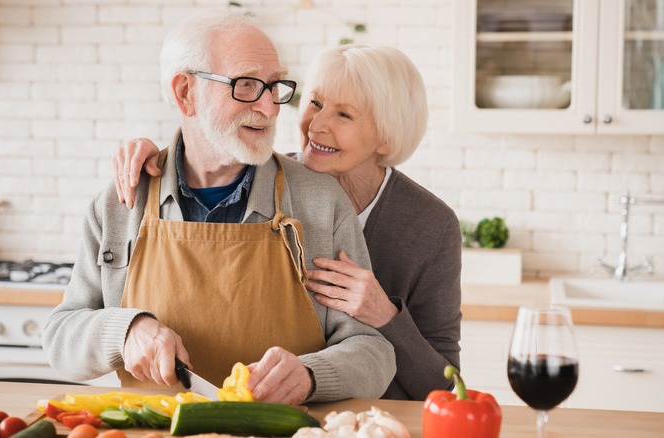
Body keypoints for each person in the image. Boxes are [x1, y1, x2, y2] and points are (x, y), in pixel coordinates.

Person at [42, 11, 395, 405]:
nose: (270, 107)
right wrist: (125, 331)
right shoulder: (121, 203)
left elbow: (373, 351)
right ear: (184, 93)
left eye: (274, 85)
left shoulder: (321, 202)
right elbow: (60, 339)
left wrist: (312, 375)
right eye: (246, 85)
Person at [113, 44, 462, 401]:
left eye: (344, 115)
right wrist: (155, 158)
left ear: (386, 136)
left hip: (380, 418)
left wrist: (385, 315)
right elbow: (205, 151)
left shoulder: (433, 227)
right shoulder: (265, 180)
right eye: (315, 103)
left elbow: (444, 385)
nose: (317, 125)